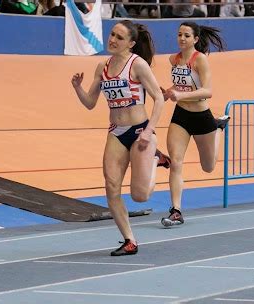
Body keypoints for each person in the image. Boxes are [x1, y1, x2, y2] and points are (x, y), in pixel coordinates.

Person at [71, 20, 170, 256]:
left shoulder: (138, 65)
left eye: (119, 37)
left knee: (140, 195)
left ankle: (156, 159)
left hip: (139, 132)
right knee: (111, 187)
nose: (112, 39)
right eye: (112, 34)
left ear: (131, 44)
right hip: (116, 132)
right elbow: (90, 103)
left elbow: (159, 98)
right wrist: (77, 87)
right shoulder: (102, 67)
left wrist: (148, 131)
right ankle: (130, 240)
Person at [161, 21, 229, 227]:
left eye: (187, 35)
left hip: (202, 118)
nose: (182, 38)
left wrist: (180, 94)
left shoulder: (200, 60)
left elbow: (207, 91)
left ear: (196, 39)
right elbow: (181, 84)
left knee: (208, 167)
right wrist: (167, 93)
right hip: (180, 116)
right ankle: (176, 210)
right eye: (179, 34)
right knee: (176, 162)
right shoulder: (173, 59)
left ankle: (217, 128)